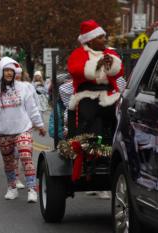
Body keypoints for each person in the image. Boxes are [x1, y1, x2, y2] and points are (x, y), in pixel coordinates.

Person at [67, 20, 124, 199]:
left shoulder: (110, 53)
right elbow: (75, 70)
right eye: (100, 37)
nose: (103, 39)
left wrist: (109, 63)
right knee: (93, 127)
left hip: (108, 95)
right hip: (87, 96)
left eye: (103, 36)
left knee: (118, 124)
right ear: (90, 40)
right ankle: (91, 167)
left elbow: (119, 71)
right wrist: (96, 65)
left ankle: (113, 161)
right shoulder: (78, 53)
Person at [0, 57, 46, 203]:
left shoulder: (23, 87)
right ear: (1, 72)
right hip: (3, 132)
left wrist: (39, 124)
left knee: (25, 156)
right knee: (9, 163)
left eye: (11, 70)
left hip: (22, 129)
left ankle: (32, 189)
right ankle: (12, 188)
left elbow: (32, 108)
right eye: (6, 70)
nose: (9, 73)